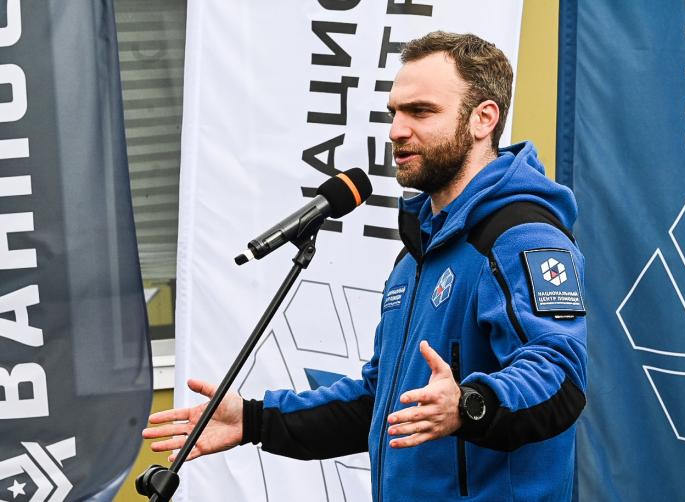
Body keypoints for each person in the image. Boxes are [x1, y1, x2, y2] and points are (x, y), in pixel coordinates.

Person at [143, 31, 587, 501]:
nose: (396, 130)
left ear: (483, 119)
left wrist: (468, 405)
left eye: (420, 112)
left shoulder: (521, 237)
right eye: (394, 112)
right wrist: (255, 421)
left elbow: (559, 377)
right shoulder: (417, 253)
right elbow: (379, 403)